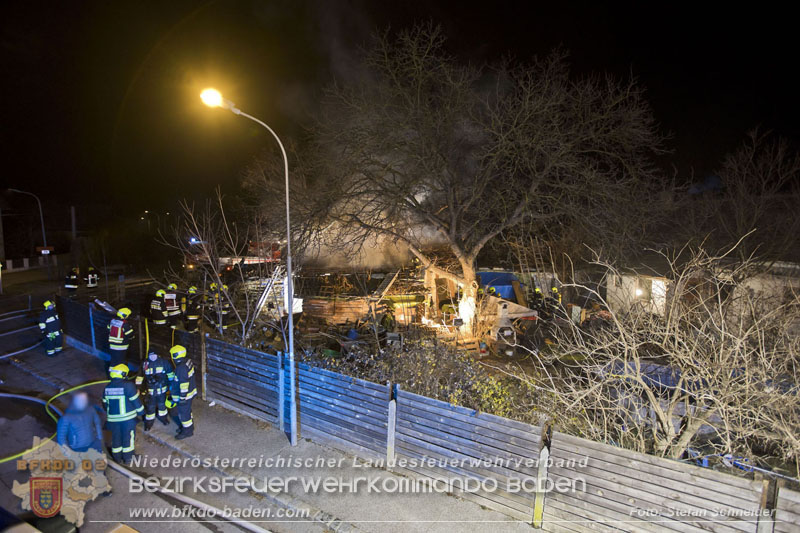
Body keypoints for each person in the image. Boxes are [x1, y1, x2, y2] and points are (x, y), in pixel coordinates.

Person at [102, 364, 143, 464]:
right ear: (123, 374)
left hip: (112, 420)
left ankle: (117, 458)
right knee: (128, 438)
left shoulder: (107, 388)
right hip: (127, 419)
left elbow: (105, 404)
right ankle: (128, 458)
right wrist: (142, 412)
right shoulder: (128, 385)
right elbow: (135, 401)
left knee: (116, 438)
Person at [168, 345, 196, 439]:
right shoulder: (187, 361)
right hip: (190, 393)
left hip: (184, 396)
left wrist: (182, 398)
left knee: (183, 414)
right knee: (187, 412)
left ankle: (187, 432)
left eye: (173, 355)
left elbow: (184, 384)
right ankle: (189, 427)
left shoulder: (181, 368)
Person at [138, 351, 170, 431]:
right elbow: (140, 376)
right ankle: (149, 423)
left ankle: (163, 418)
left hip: (162, 390)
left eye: (154, 355)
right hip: (150, 391)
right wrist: (138, 388)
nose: (152, 357)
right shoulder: (145, 364)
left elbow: (170, 375)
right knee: (150, 407)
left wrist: (172, 387)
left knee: (162, 406)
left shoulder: (164, 362)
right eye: (151, 355)